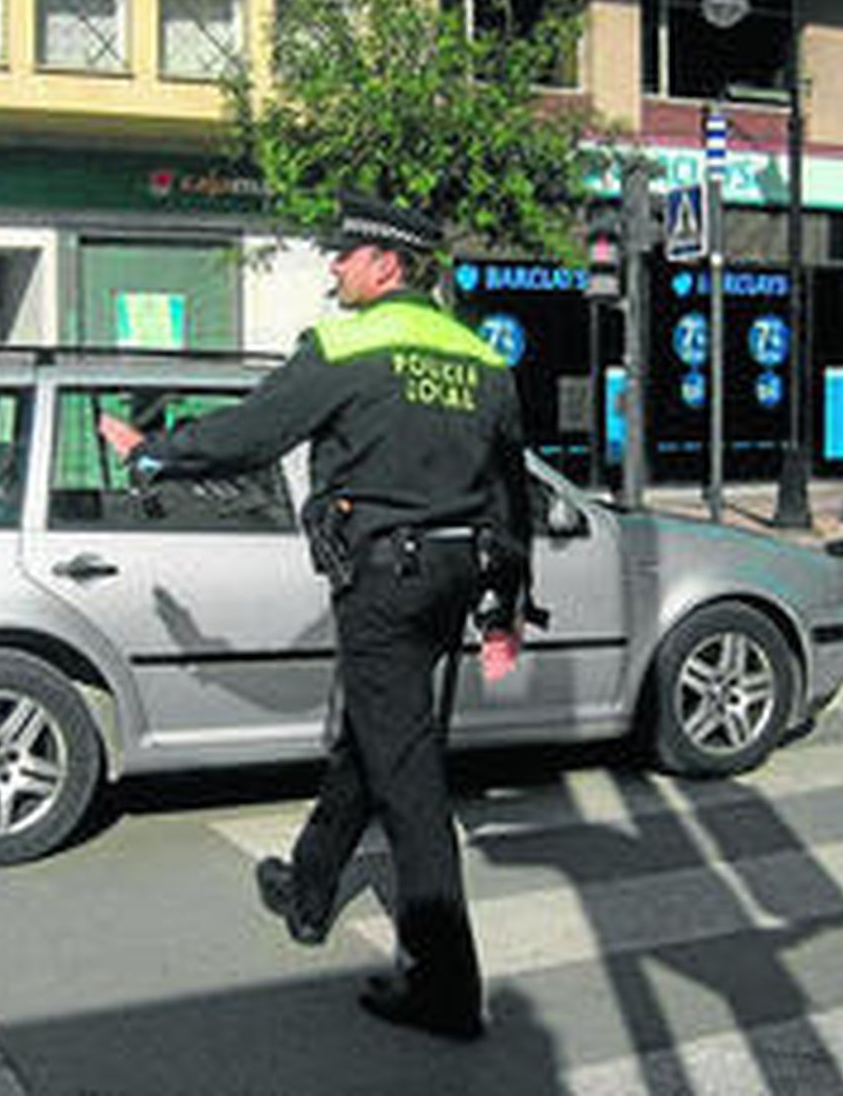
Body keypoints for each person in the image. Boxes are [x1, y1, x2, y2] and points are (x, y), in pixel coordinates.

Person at [98, 191, 536, 1042]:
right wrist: (502, 610)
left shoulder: (345, 342)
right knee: (382, 734)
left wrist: (155, 450)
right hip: (455, 575)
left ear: (389, 266)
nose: (334, 265)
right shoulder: (481, 359)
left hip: (384, 580)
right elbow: (509, 496)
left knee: (410, 779)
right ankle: (308, 886)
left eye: (347, 254)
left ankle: (447, 987)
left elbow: (254, 434)